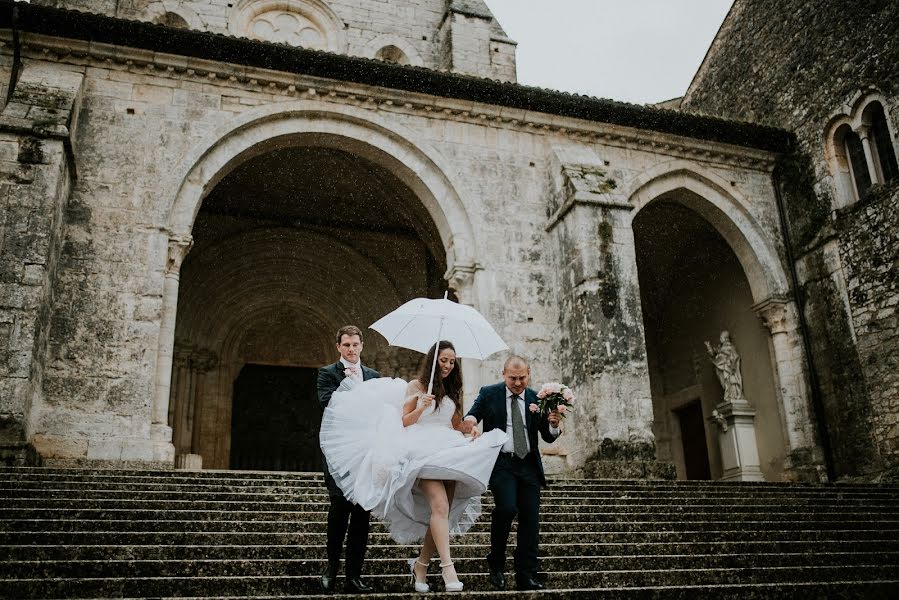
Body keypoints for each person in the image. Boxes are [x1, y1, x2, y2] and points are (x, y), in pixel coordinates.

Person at [319, 340, 508, 593]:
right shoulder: (416, 386)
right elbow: (404, 421)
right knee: (439, 506)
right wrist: (420, 408)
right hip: (421, 452)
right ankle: (448, 569)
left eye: (452, 361)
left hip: (448, 451)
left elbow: (455, 425)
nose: (448, 366)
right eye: (444, 360)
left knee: (444, 512)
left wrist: (470, 428)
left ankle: (420, 565)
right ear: (433, 360)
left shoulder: (452, 390)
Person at [460, 355, 561, 591]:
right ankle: (496, 563)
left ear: (529, 374)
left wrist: (554, 424)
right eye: (513, 378)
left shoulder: (538, 398)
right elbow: (472, 415)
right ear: (503, 374)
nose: (517, 383)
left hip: (529, 466)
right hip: (501, 463)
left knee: (530, 521)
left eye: (522, 378)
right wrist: (472, 424)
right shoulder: (489, 392)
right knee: (506, 508)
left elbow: (547, 435)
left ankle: (526, 574)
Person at [316, 325, 380, 594]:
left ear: (362, 345)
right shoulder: (327, 373)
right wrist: (360, 398)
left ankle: (354, 575)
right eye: (346, 345)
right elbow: (329, 403)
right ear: (338, 347)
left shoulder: (374, 376)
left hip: (365, 454)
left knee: (362, 516)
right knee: (339, 512)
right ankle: (331, 568)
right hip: (339, 454)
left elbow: (380, 411)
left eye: (355, 344)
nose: (351, 349)